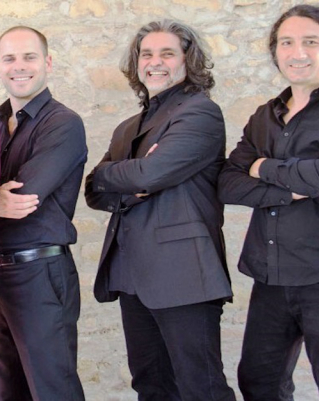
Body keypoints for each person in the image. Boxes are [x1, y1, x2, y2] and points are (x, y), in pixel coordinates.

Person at [85, 20, 235, 401]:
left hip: (184, 276)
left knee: (202, 389)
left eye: (167, 53)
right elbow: (92, 190)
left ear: (188, 60)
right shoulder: (127, 128)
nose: (155, 62)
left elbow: (150, 173)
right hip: (133, 276)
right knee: (151, 386)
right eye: (147, 54)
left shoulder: (200, 113)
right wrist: (127, 181)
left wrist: (121, 175)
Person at [218, 5, 319, 400]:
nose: (297, 52)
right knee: (259, 383)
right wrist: (293, 187)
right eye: (286, 42)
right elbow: (228, 184)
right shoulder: (265, 116)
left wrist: (262, 166)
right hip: (270, 279)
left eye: (310, 41)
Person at [0, 26, 86, 401]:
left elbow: (22, 197)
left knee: (51, 390)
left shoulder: (62, 123)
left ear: (47, 63)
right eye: (9, 58)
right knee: (3, 390)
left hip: (39, 272)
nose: (19, 66)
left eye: (29, 57)